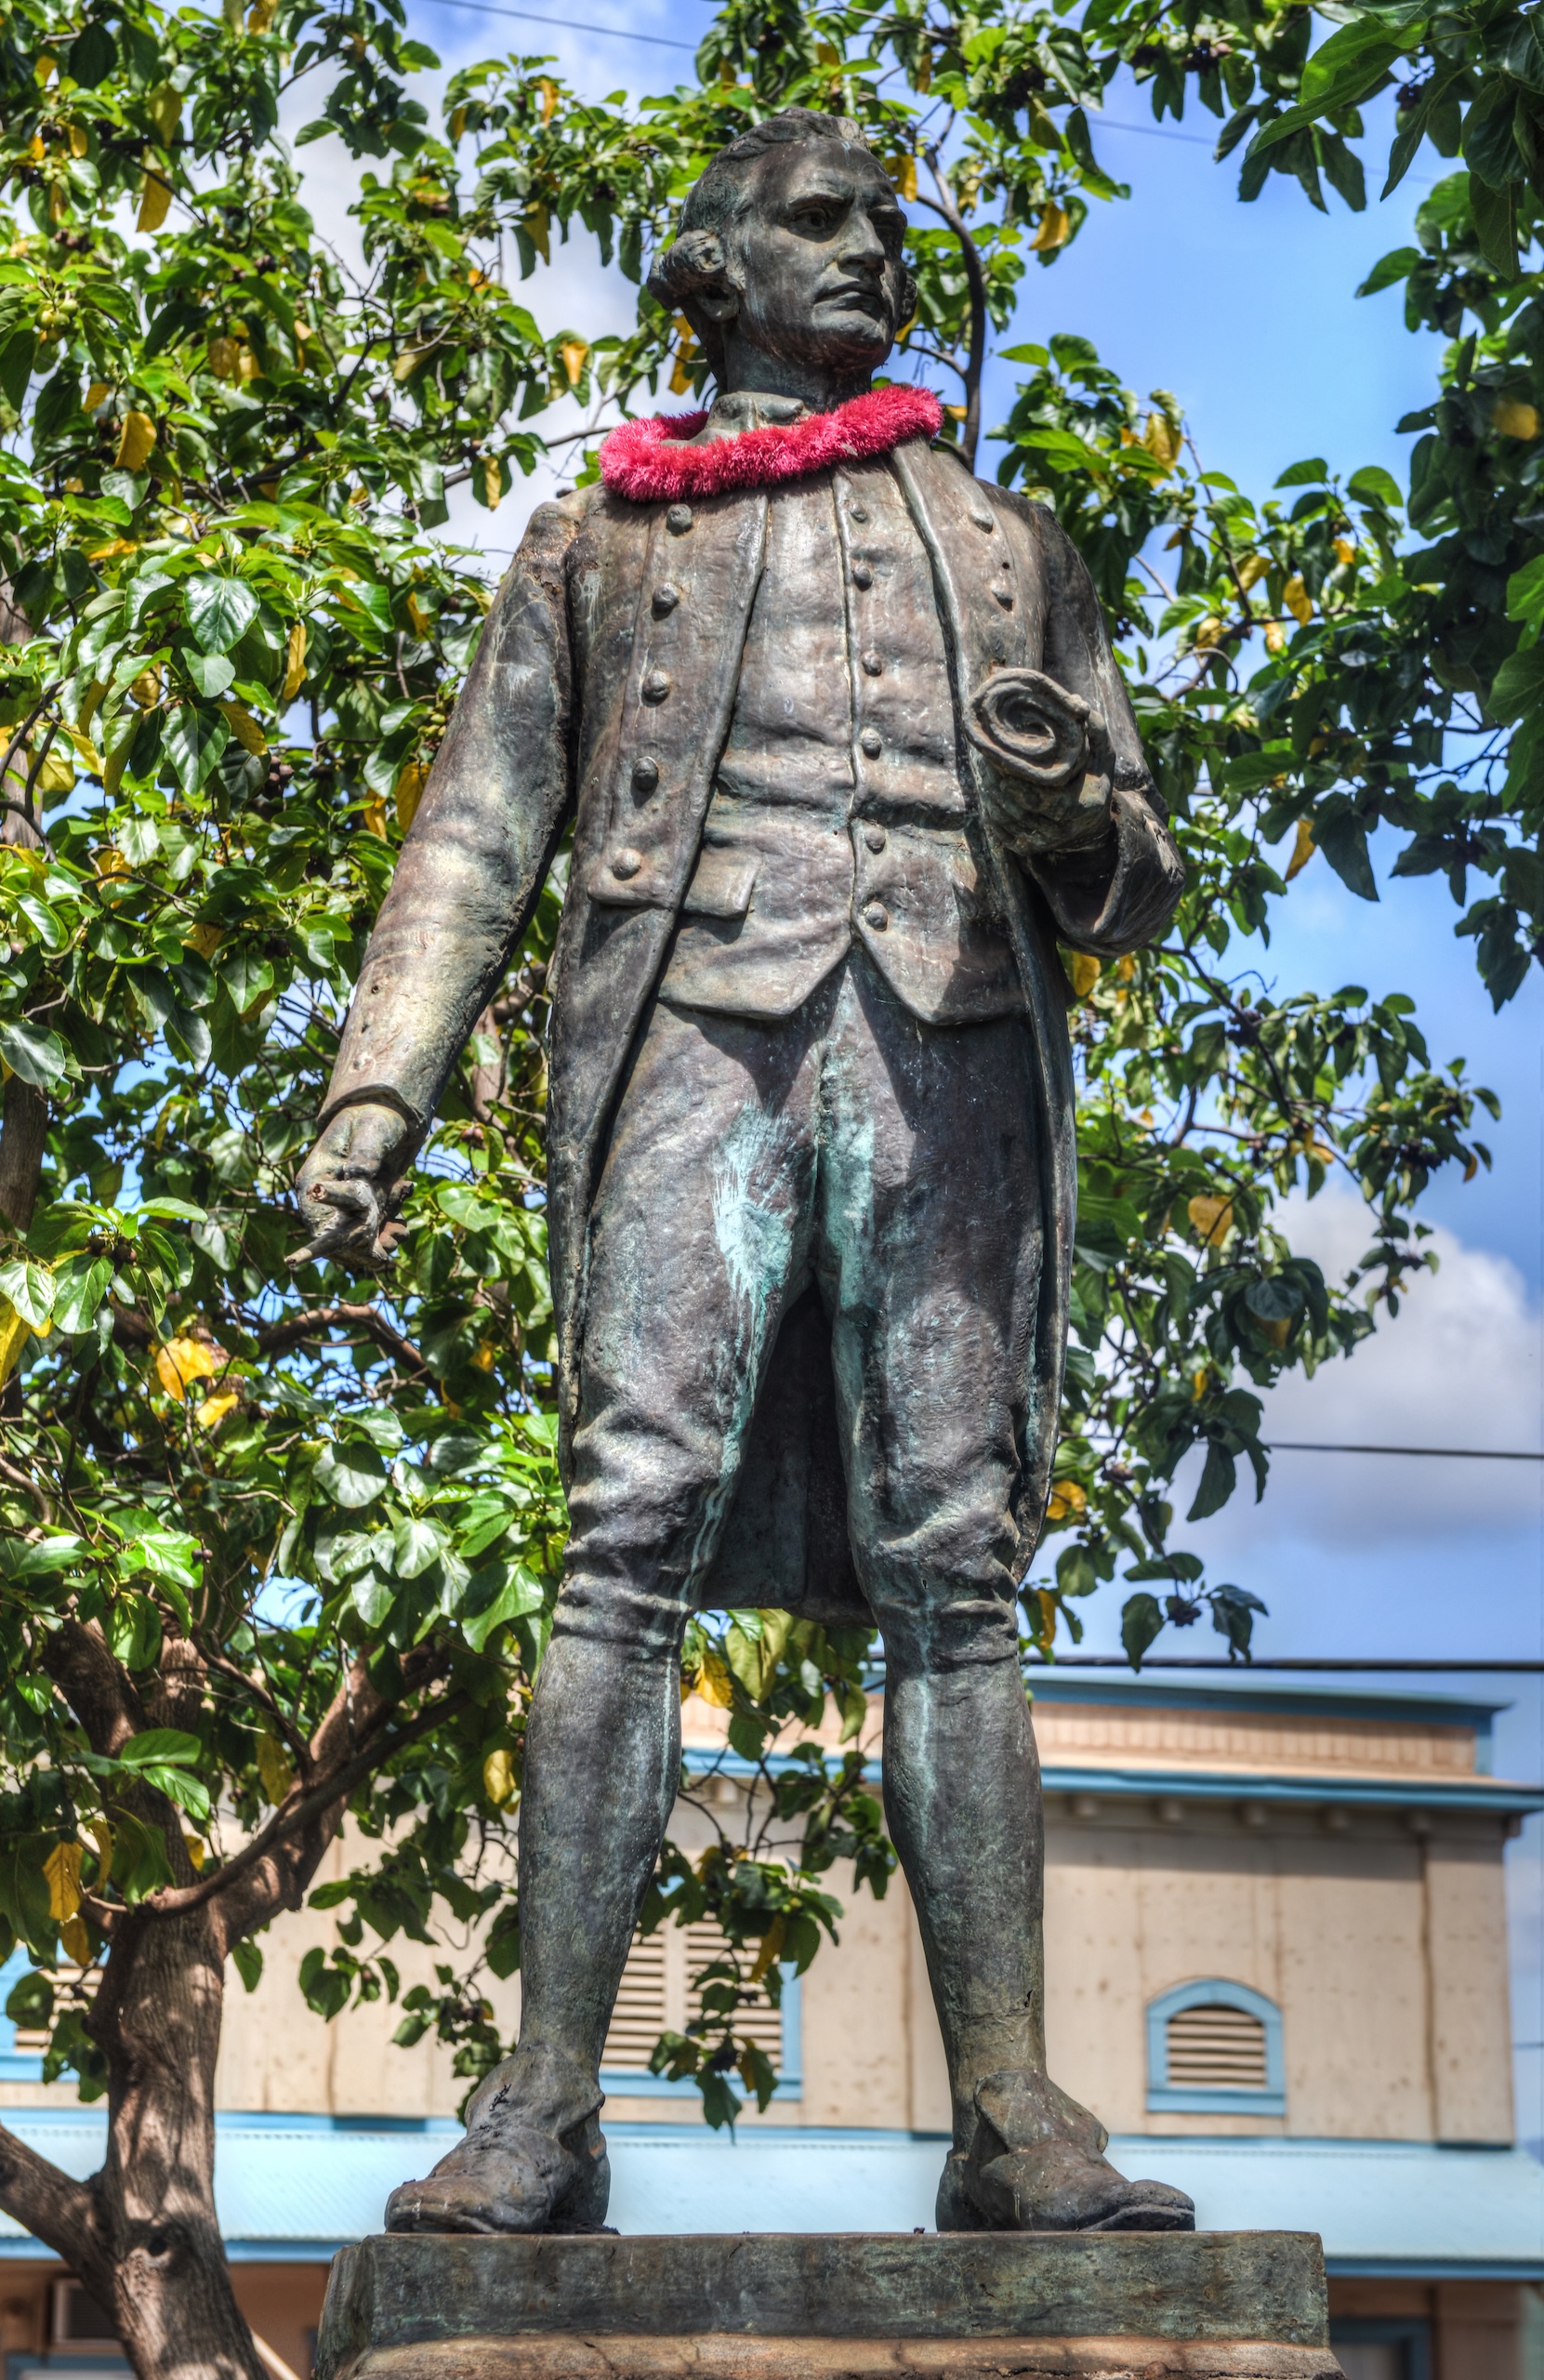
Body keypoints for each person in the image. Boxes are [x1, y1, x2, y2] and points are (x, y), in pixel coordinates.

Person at [294, 106, 1193, 2238]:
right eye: (820, 218)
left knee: (957, 1574)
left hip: (947, 1064)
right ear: (707, 268)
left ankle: (1008, 2115)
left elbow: (1131, 889)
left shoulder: (1009, 544)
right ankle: (542, 2108)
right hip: (692, 1042)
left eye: (886, 222)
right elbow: (474, 833)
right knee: (621, 1537)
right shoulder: (598, 543)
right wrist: (375, 1093)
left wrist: (1074, 818)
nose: (871, 249)